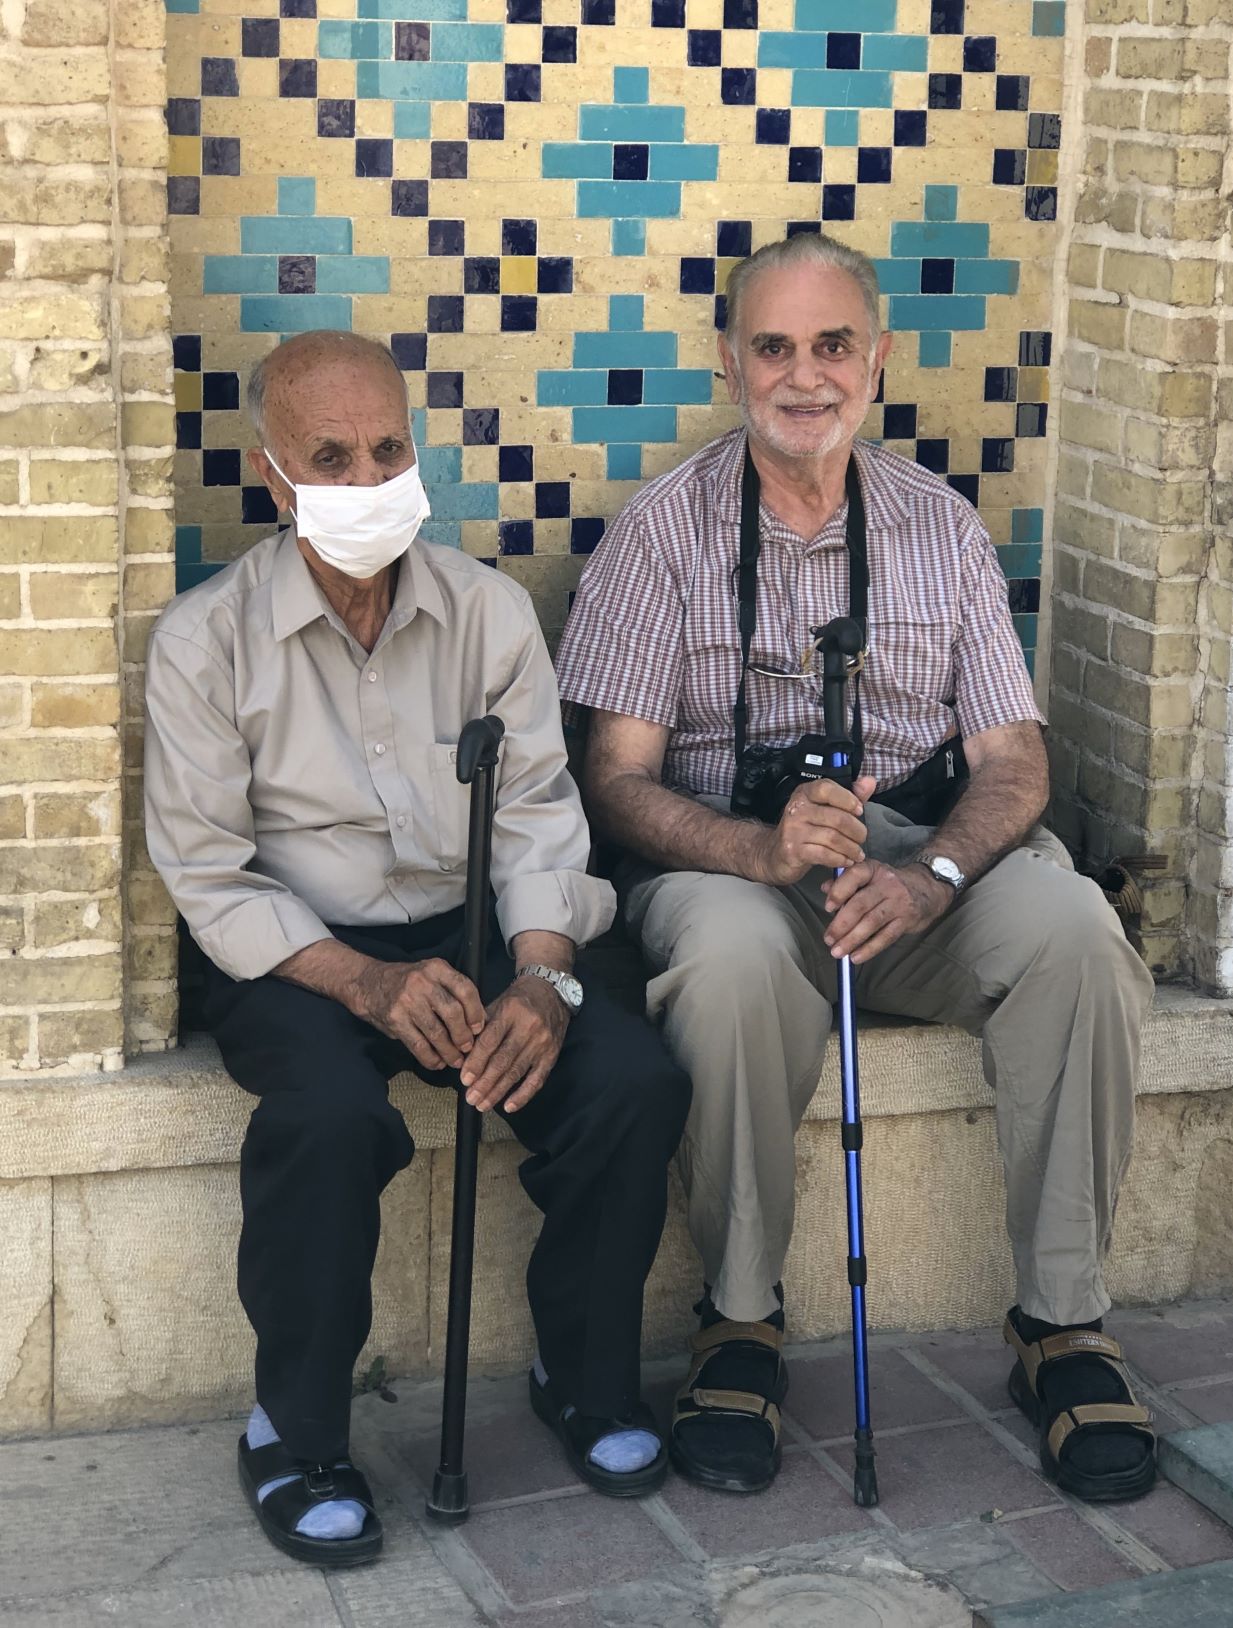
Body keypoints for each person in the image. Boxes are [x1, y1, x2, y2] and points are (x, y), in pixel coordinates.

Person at [555, 234, 1157, 1505]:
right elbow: (611, 783)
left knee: (1077, 930)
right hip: (736, 867)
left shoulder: (939, 525)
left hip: (919, 871)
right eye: (774, 346)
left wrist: (934, 871)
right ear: (730, 363)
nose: (805, 376)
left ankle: (1063, 1322)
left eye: (833, 345)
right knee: (720, 959)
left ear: (878, 360)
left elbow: (1016, 759)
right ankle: (739, 1320)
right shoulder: (662, 533)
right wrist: (758, 846)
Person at [144, 330, 690, 1567]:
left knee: (629, 1080)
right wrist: (368, 983)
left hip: (482, 924)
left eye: (387, 447)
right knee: (328, 1118)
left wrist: (545, 976)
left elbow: (547, 813)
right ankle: (296, 1427)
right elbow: (210, 872)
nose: (367, 475)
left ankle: (584, 1373)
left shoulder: (487, 611)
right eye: (330, 456)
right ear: (273, 474)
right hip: (303, 950)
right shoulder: (203, 643)